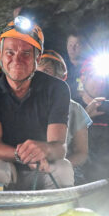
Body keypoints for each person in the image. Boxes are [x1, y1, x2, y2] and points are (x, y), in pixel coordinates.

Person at [0, 16, 73, 190]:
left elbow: (59, 148)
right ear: (0, 56)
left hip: (41, 168)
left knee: (63, 168)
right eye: (10, 53)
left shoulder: (57, 89)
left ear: (38, 58)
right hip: (7, 165)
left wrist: (45, 149)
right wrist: (26, 156)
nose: (17, 60)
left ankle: (56, 215)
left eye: (26, 53)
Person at [36, 50, 91, 179]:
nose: (39, 77)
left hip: (59, 169)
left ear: (60, 78)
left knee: (64, 172)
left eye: (46, 71)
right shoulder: (21, 102)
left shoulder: (74, 109)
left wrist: (56, 166)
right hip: (26, 166)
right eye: (36, 72)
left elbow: (82, 153)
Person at [64, 31, 86, 97]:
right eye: (70, 45)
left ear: (83, 47)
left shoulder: (90, 67)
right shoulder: (60, 65)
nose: (72, 49)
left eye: (77, 45)